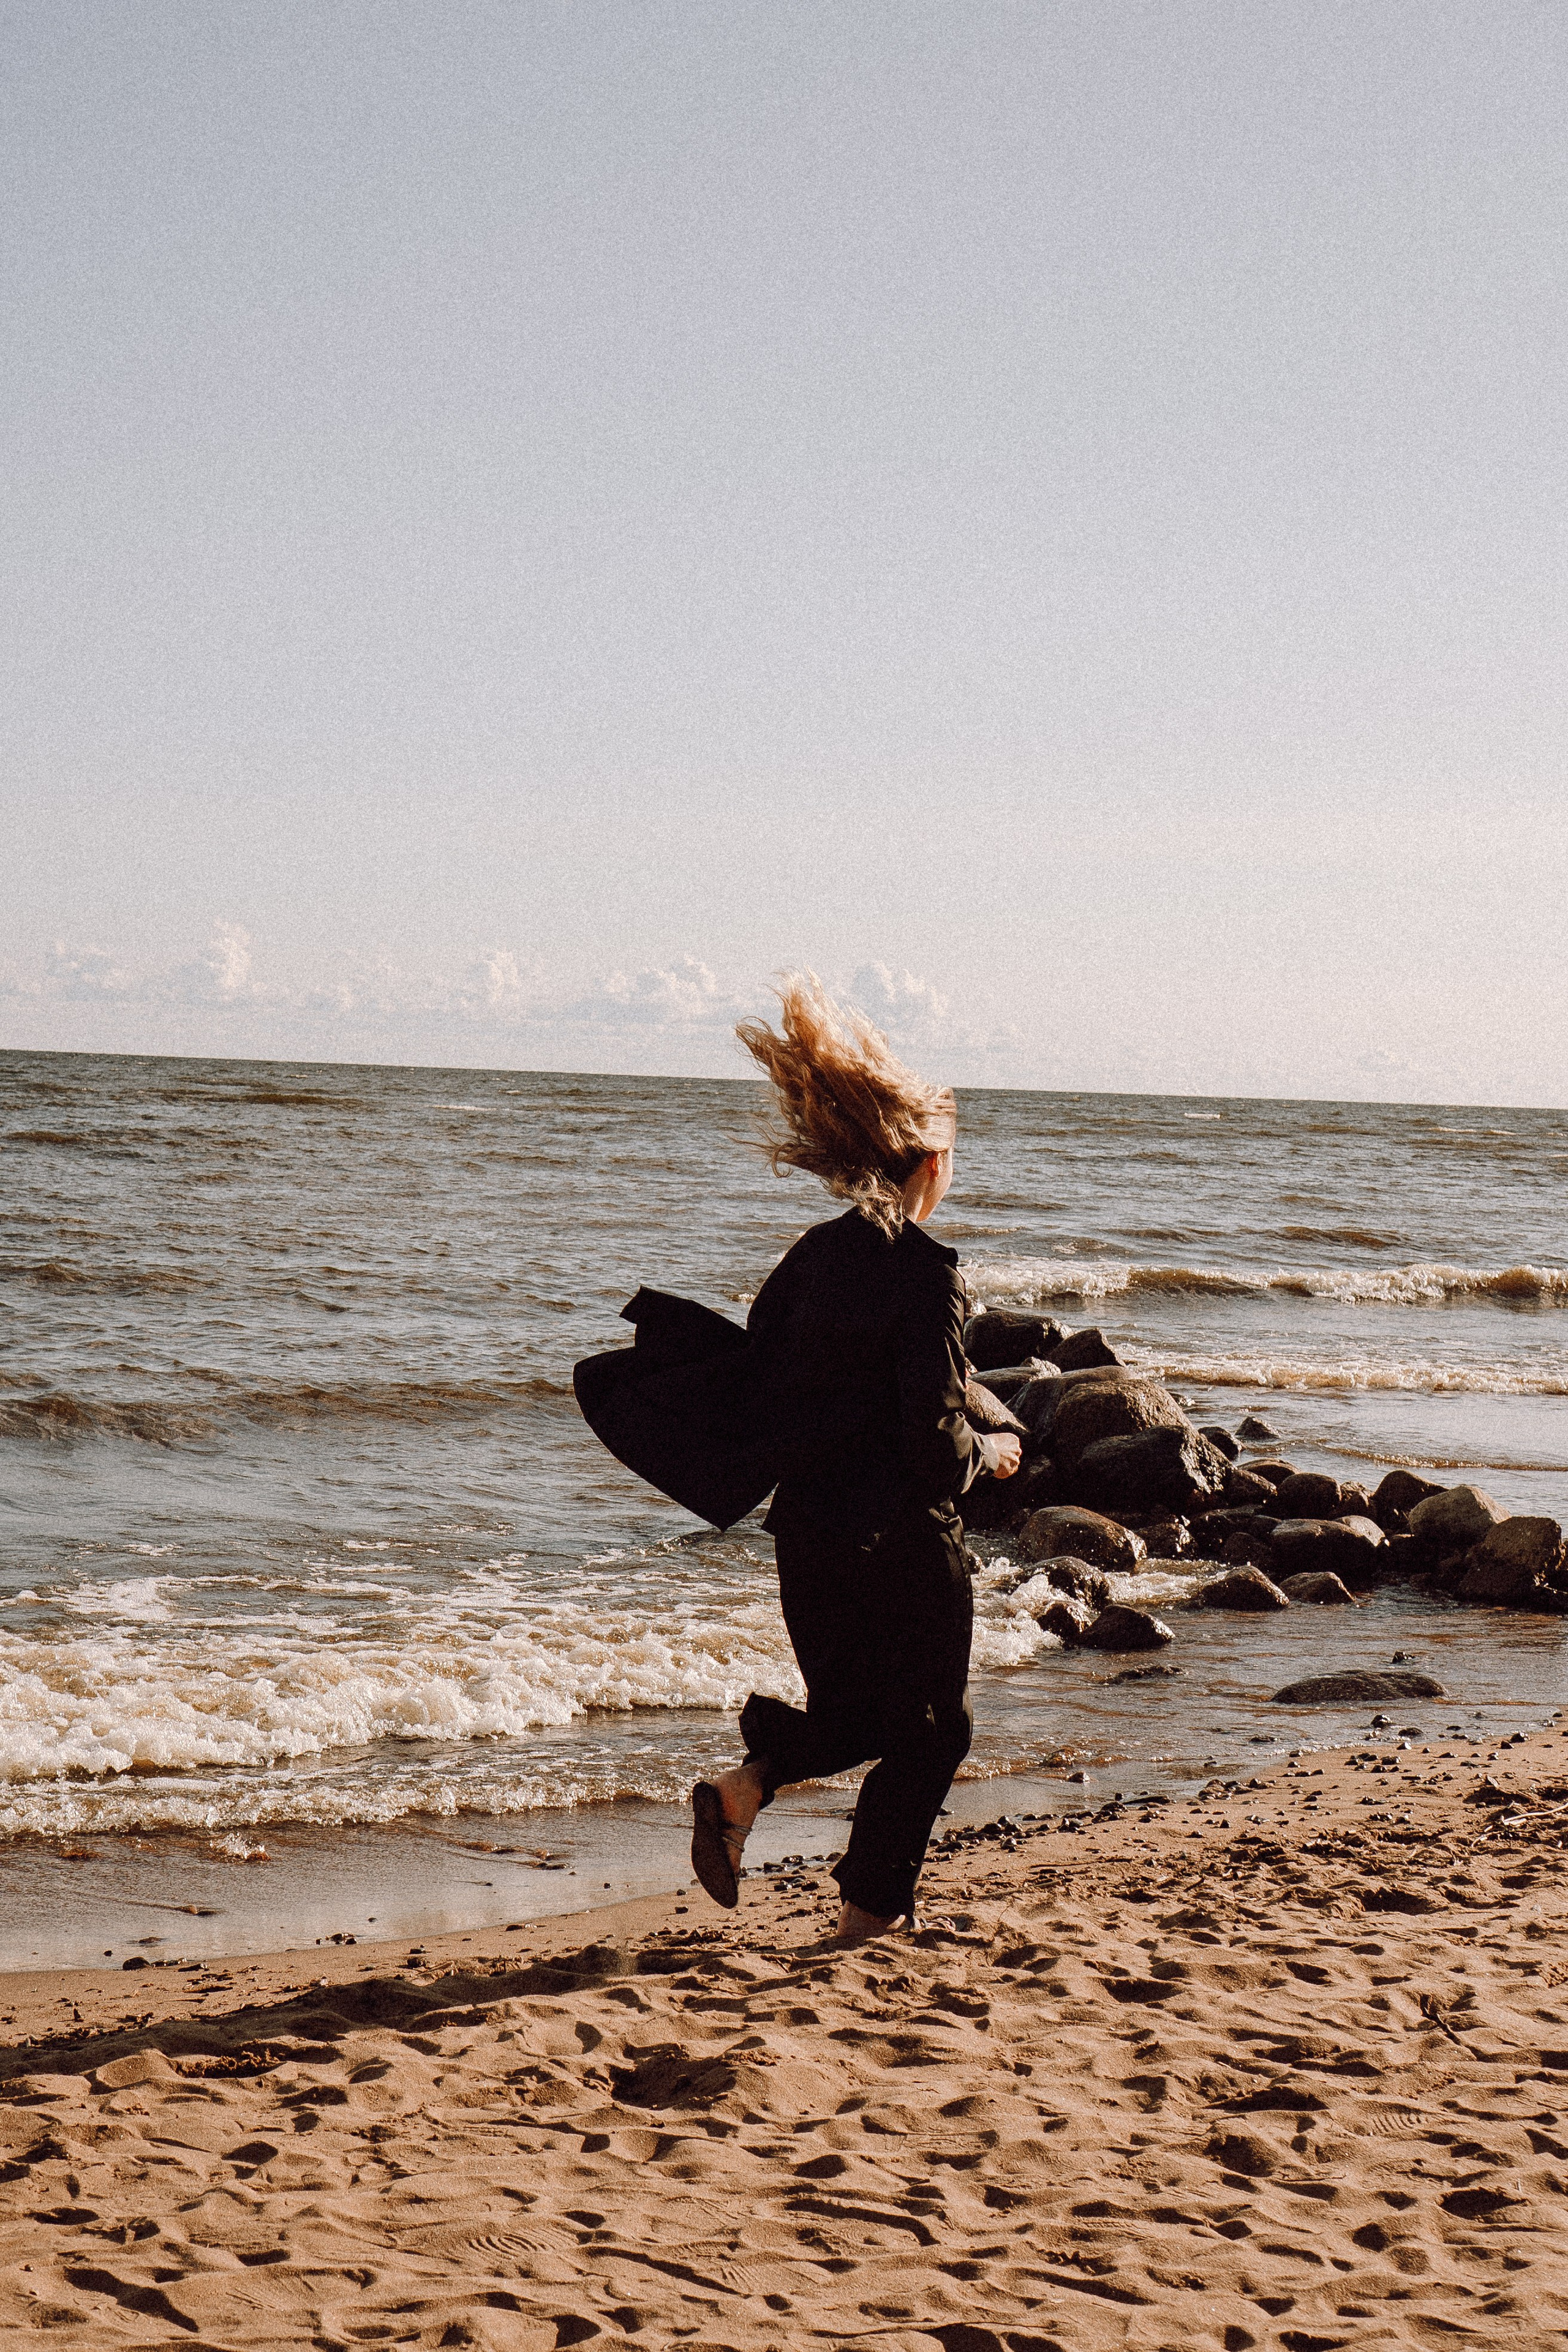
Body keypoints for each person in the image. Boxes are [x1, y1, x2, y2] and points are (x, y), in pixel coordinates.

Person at [689, 975, 1021, 1946]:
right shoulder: (926, 1275)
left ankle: (742, 1790)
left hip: (808, 1531)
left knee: (870, 1717)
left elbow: (786, 1378)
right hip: (901, 1541)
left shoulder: (811, 1259)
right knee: (933, 1731)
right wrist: (988, 1449)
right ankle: (870, 1918)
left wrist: (954, 1396)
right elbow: (929, 1446)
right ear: (928, 1160)